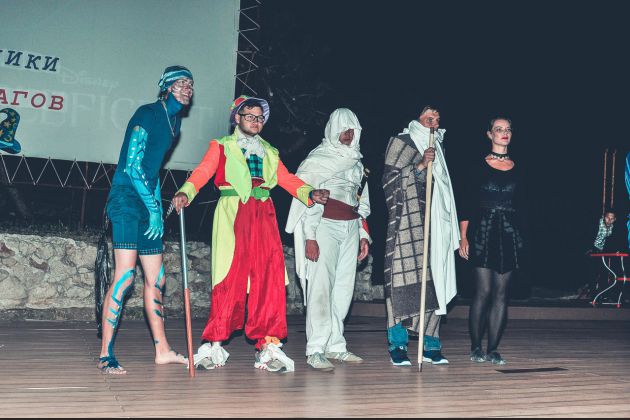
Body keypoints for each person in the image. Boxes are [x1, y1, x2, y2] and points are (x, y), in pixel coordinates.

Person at [172, 95, 330, 373]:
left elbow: (286, 178)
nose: (256, 122)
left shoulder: (269, 151)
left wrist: (309, 192)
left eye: (259, 118)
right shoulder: (222, 146)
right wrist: (186, 192)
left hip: (264, 214)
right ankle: (215, 343)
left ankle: (268, 345)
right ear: (237, 118)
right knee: (228, 278)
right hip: (234, 213)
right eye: (250, 116)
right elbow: (203, 172)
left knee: (269, 278)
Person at [98, 66, 194, 374]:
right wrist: (152, 208)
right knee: (125, 276)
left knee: (157, 279)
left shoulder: (174, 123)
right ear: (166, 87)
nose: (188, 88)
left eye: (190, 84)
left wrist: (157, 209)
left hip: (147, 200)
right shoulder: (148, 113)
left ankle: (162, 351)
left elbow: (153, 171)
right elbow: (133, 164)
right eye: (181, 83)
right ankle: (105, 354)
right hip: (126, 199)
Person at [285, 108, 371, 371]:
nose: (348, 134)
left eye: (352, 130)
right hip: (324, 225)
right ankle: (315, 348)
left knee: (344, 288)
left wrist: (364, 234)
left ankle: (335, 345)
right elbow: (309, 197)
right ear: (333, 130)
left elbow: (361, 200)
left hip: (350, 227)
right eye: (343, 129)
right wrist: (310, 236)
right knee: (321, 286)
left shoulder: (357, 162)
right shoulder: (318, 159)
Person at [382, 106, 460, 367]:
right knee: (400, 281)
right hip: (407, 224)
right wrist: (419, 166)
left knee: (435, 280)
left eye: (437, 118)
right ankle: (398, 344)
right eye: (429, 117)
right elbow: (389, 182)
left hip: (434, 223)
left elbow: (443, 187)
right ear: (416, 118)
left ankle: (431, 344)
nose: (434, 122)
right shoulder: (401, 142)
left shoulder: (439, 147)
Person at [458, 116, 525, 366]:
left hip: (508, 233)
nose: (504, 133)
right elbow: (466, 203)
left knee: (501, 293)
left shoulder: (519, 167)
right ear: (490, 134)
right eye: (499, 129)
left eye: (508, 129)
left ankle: (493, 348)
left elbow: (525, 205)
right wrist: (463, 236)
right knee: (483, 291)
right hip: (482, 232)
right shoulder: (477, 166)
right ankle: (476, 347)